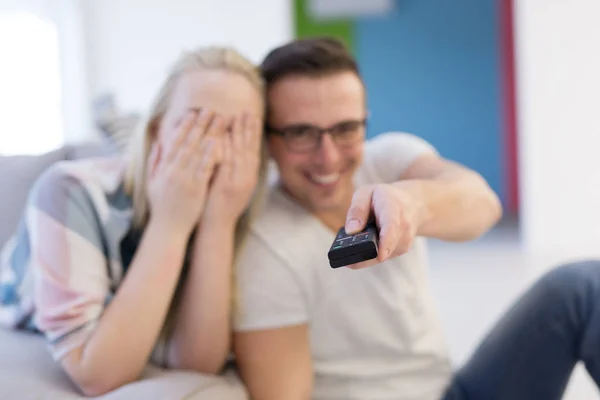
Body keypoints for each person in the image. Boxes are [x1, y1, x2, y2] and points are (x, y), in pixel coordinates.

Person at [231, 37, 600, 400]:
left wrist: (413, 201)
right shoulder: (262, 243)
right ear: (268, 139)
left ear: (364, 122)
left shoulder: (389, 161)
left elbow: (483, 205)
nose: (327, 157)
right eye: (301, 133)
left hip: (450, 390)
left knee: (582, 286)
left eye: (345, 129)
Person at [0, 46, 267, 397]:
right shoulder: (67, 189)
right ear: (156, 130)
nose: (213, 147)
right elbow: (96, 373)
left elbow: (196, 364)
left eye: (237, 131)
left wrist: (218, 223)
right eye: (195, 123)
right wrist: (171, 222)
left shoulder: (241, 205)